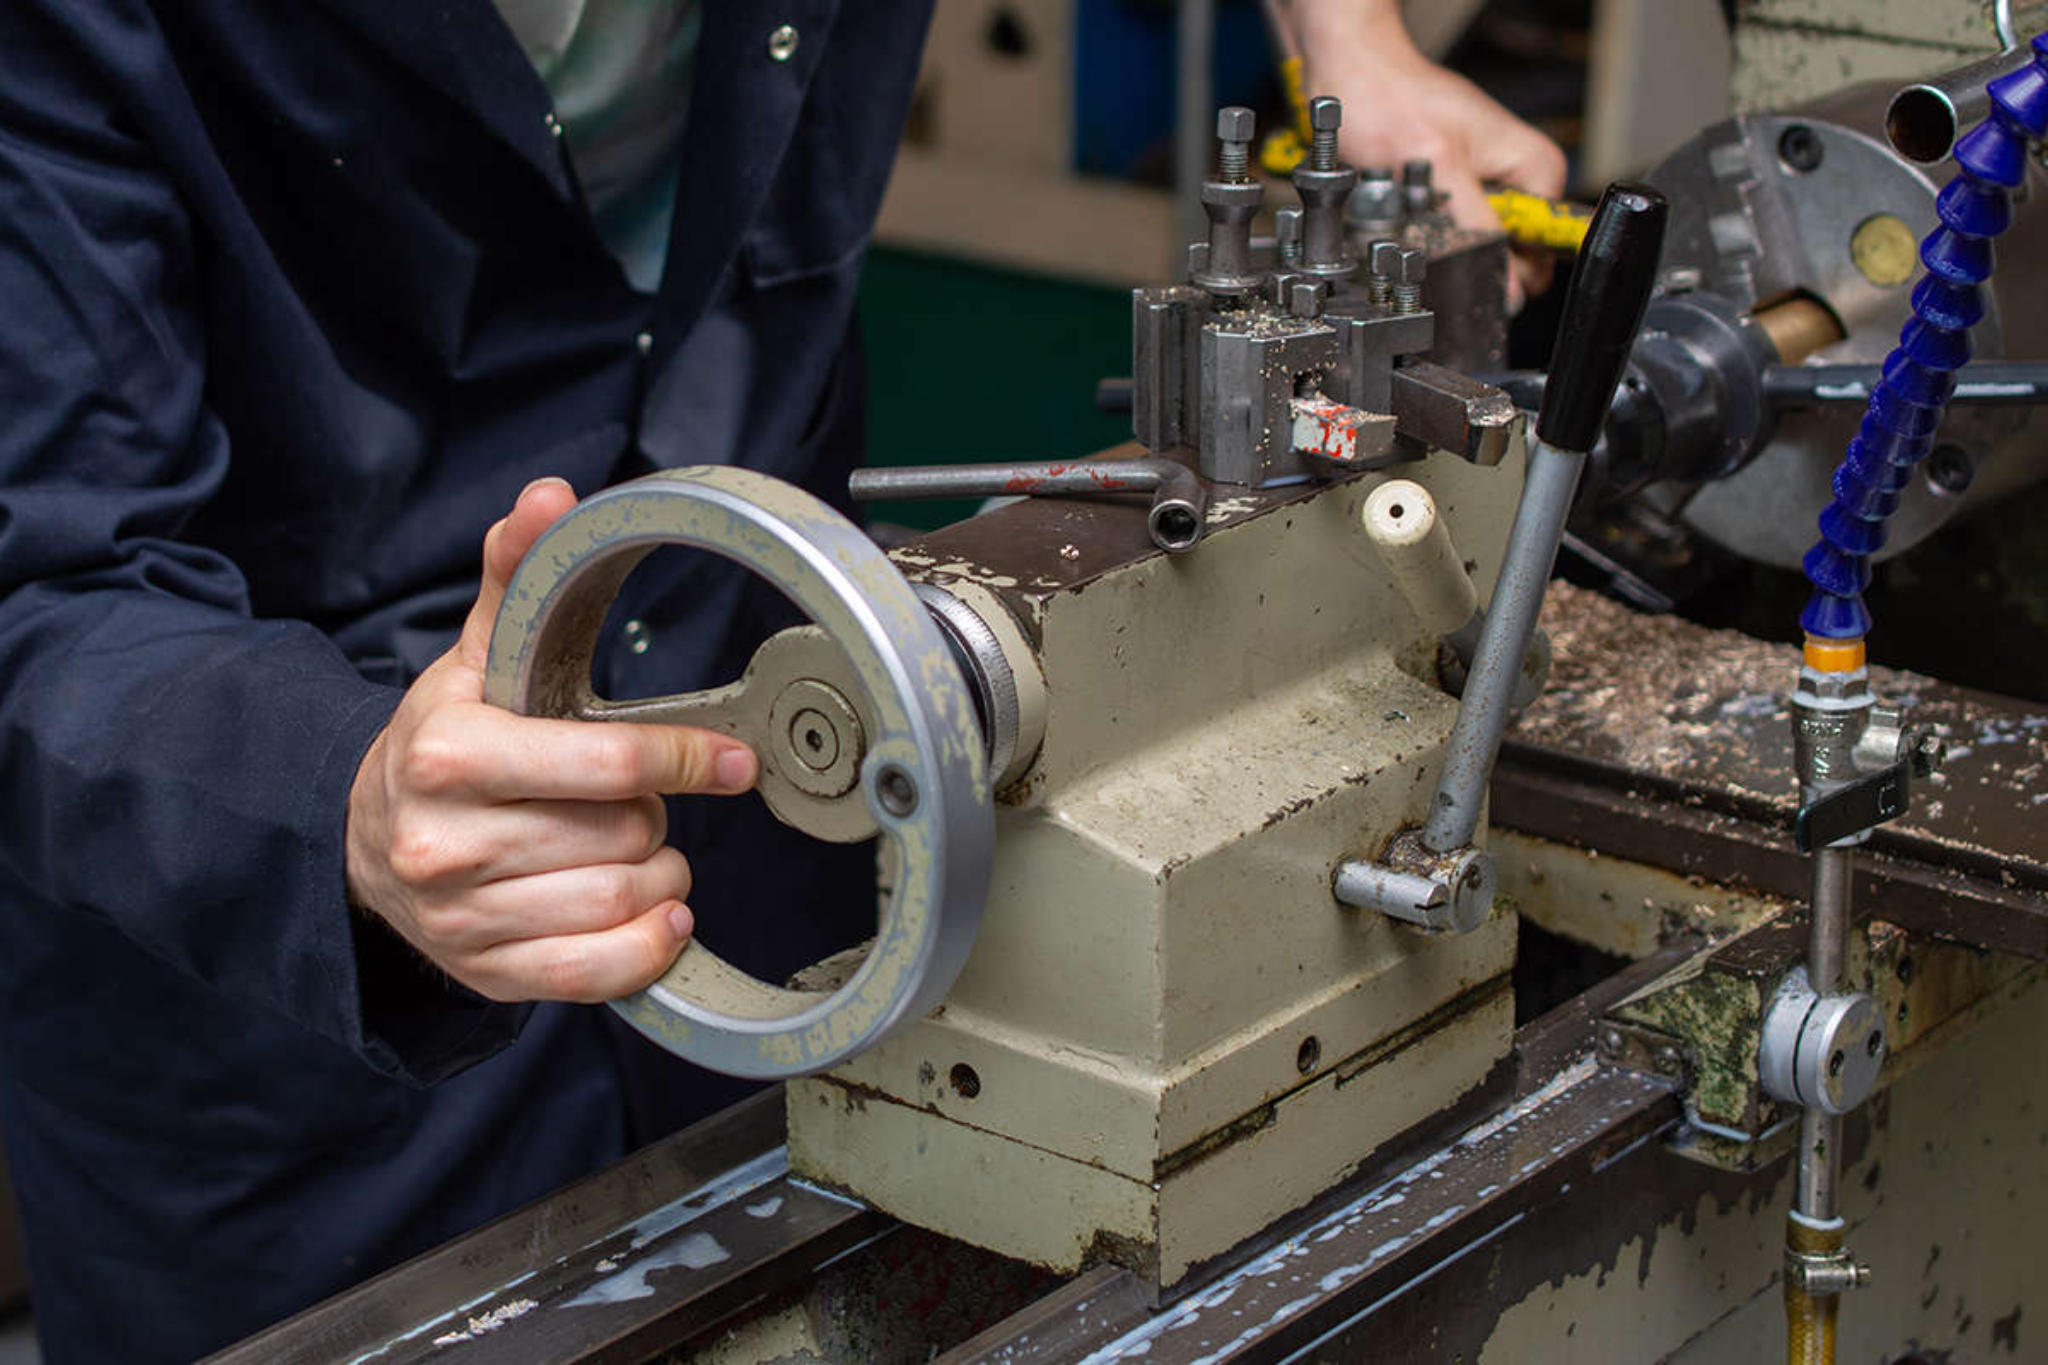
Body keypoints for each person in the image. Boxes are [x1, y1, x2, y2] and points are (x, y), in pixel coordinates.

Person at [0, 2, 1564, 1360]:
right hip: (282, 982)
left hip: (785, 842)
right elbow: (44, 577)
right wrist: (335, 798)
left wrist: (1348, 39)